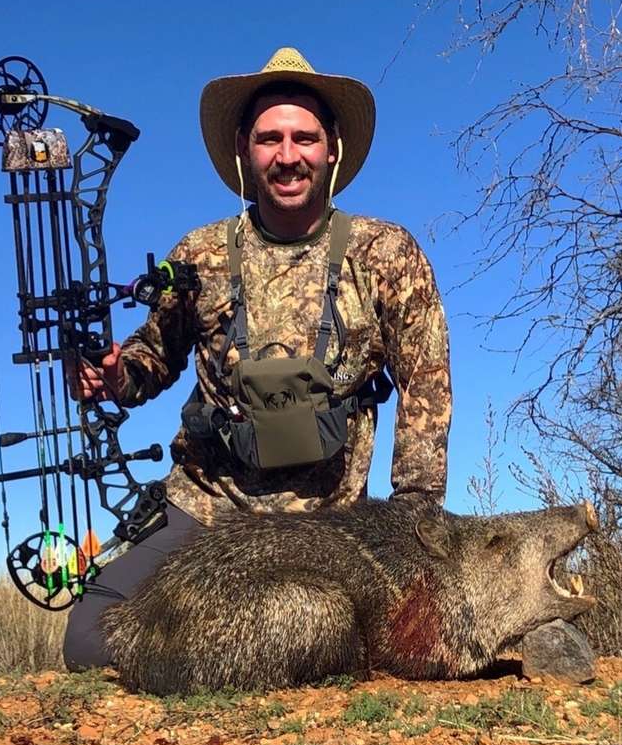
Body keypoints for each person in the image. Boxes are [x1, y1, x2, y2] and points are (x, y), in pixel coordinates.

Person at [62, 47, 452, 670]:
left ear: (332, 149)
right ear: (244, 149)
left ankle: (241, 663)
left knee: (395, 640)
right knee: (88, 641)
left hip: (332, 527)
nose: (287, 155)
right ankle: (255, 660)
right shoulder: (200, 253)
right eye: (270, 139)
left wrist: (413, 516)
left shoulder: (387, 253)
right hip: (204, 507)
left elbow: (426, 387)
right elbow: (150, 360)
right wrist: (112, 375)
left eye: (304, 138)